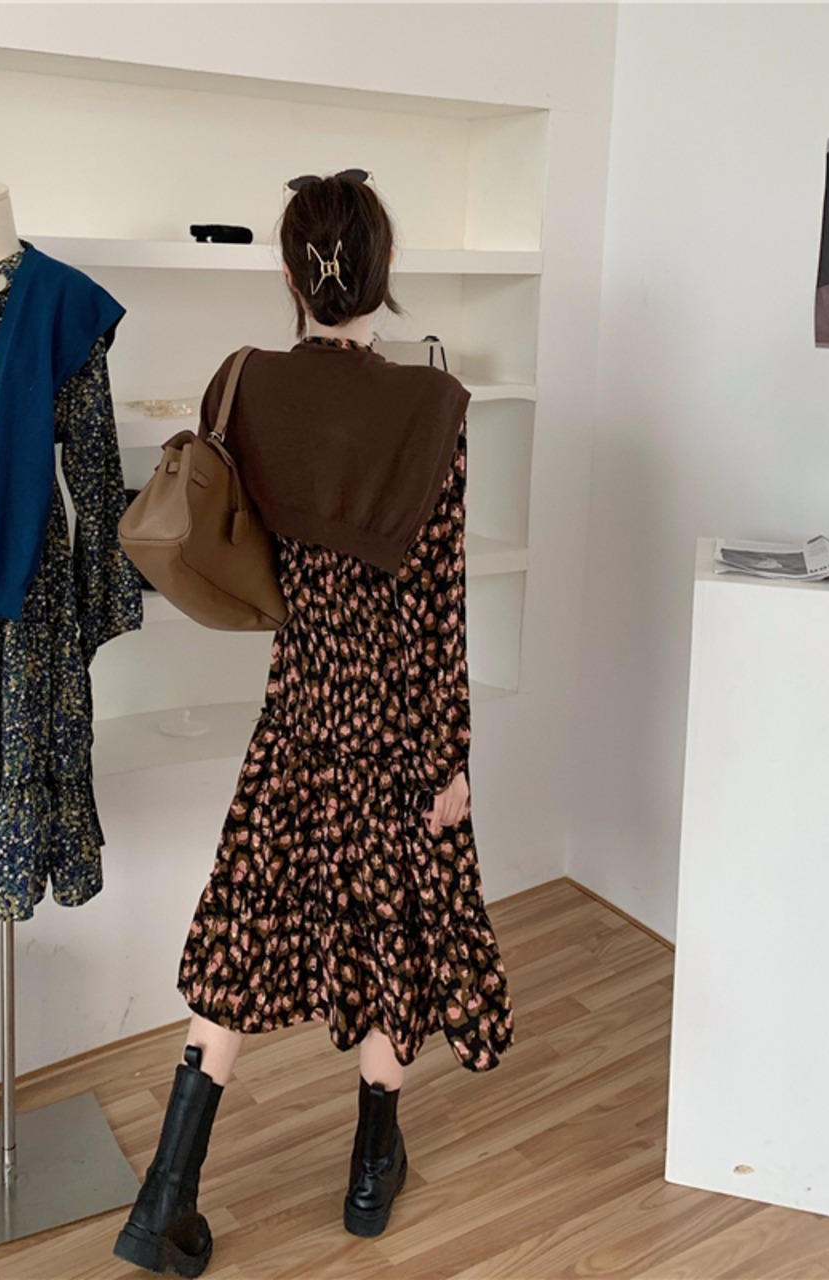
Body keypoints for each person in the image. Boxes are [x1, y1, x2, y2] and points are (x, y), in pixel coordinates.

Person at [113, 171, 515, 1278]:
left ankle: (165, 1196)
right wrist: (449, 758)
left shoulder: (243, 384)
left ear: (292, 275)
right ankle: (370, 1174)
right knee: (392, 931)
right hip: (394, 721)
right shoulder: (435, 409)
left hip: (299, 706)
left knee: (243, 919)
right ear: (383, 276)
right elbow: (440, 605)